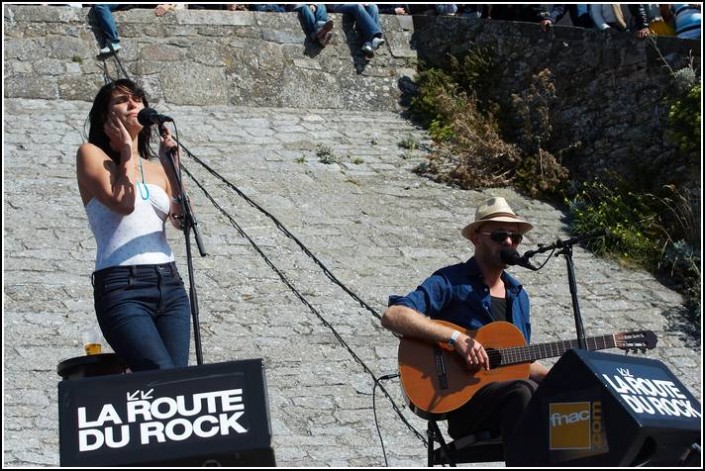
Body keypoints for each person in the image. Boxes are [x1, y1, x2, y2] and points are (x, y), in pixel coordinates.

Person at [381, 196, 549, 446]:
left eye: (515, 238)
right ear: (477, 238)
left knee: (563, 400)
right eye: (500, 236)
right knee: (524, 392)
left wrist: (562, 375)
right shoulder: (451, 281)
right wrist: (456, 338)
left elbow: (520, 361)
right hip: (464, 404)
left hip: (510, 395)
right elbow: (393, 315)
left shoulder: (518, 295)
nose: (509, 242)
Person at [76, 79, 191, 372]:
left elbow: (181, 221)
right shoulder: (92, 155)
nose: (133, 104)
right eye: (122, 100)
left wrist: (173, 172)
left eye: (137, 98)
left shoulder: (156, 168)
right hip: (122, 286)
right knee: (160, 374)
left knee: (177, 382)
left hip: (169, 283)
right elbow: (123, 203)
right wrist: (127, 151)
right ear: (105, 117)